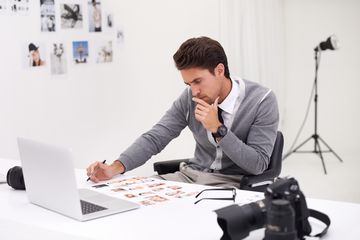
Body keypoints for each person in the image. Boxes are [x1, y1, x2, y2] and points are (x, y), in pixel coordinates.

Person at [87, 36, 279, 188]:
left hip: (232, 185)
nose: (194, 91)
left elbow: (258, 164)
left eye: (198, 81)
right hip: (189, 179)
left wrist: (219, 130)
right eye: (188, 84)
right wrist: (114, 168)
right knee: (129, 199)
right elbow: (156, 137)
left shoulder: (262, 100)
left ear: (219, 70)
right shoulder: (190, 97)